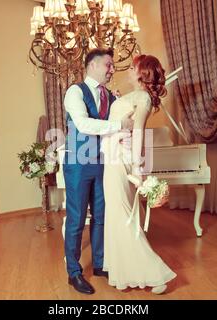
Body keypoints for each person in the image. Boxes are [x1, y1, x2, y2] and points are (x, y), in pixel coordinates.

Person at [101, 54, 177, 294]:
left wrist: (136, 168)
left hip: (119, 160)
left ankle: (155, 275)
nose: (129, 70)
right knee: (118, 214)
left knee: (122, 215)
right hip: (113, 157)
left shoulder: (143, 98)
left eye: (133, 67)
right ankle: (124, 271)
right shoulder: (134, 97)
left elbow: (139, 133)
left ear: (142, 73)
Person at [63, 48, 135, 295]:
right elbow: (83, 124)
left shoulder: (109, 96)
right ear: (92, 65)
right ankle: (73, 273)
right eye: (108, 64)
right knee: (76, 220)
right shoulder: (75, 91)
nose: (112, 69)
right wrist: (119, 124)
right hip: (77, 164)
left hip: (103, 163)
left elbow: (123, 120)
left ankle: (101, 263)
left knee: (101, 216)